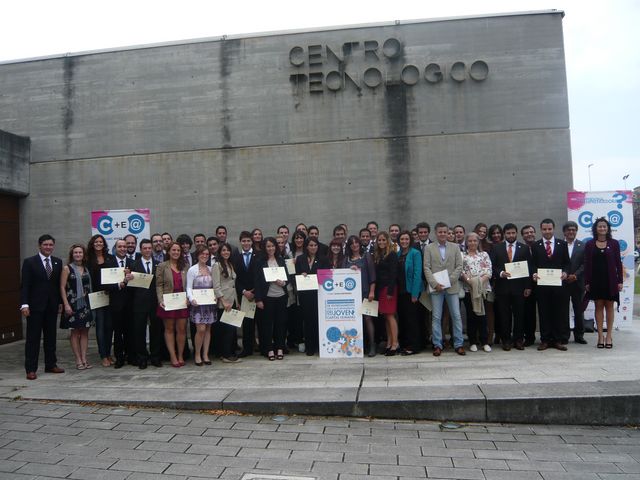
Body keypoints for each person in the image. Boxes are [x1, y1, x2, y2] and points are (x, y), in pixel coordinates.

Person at [20, 234, 65, 380]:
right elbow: (25, 285)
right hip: (35, 307)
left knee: (51, 337)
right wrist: (24, 304)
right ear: (39, 246)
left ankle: (51, 364)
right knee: (33, 338)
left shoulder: (57, 262)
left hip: (51, 307)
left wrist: (59, 302)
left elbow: (58, 286)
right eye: (45, 245)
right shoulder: (29, 262)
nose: (48, 247)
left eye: (51, 245)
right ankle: (31, 369)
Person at [424, 222, 465, 356]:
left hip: (451, 287)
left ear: (448, 233)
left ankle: (458, 344)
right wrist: (435, 284)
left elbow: (459, 266)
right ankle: (437, 344)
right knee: (436, 317)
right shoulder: (429, 248)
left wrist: (449, 281)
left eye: (445, 232)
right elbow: (426, 268)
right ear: (436, 233)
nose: (442, 234)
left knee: (456, 315)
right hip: (436, 288)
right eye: (440, 232)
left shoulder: (455, 247)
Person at [489, 224, 532, 351]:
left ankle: (518, 340)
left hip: (519, 288)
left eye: (513, 233)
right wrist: (501, 273)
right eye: (508, 233)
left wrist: (528, 286)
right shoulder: (497, 248)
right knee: (504, 315)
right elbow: (492, 266)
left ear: (516, 233)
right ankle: (506, 340)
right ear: (504, 234)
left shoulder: (523, 248)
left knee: (519, 315)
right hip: (502, 287)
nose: (511, 235)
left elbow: (529, 268)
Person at [584, 217, 623, 349]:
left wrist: (620, 281)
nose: (602, 228)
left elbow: (618, 263)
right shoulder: (589, 244)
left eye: (604, 226)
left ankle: (609, 336)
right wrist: (587, 282)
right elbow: (587, 264)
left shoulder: (614, 243)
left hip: (611, 280)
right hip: (595, 280)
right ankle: (600, 336)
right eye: (599, 226)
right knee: (598, 306)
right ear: (595, 228)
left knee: (610, 307)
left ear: (608, 229)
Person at [531, 218, 570, 351]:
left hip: (559, 285)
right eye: (544, 229)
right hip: (542, 286)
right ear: (541, 230)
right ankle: (545, 340)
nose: (547, 231)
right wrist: (534, 273)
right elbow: (533, 264)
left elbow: (567, 263)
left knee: (558, 313)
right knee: (544, 313)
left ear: (553, 229)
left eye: (549, 229)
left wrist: (565, 272)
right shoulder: (536, 246)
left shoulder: (562, 244)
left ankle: (557, 340)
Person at [129, 238, 162, 369]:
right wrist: (128, 279)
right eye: (145, 248)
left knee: (156, 331)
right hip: (139, 303)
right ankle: (142, 358)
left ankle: (155, 357)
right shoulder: (133, 265)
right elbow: (130, 288)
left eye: (149, 248)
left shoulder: (159, 264)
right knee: (139, 331)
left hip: (155, 303)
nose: (148, 250)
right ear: (141, 250)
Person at [59, 244, 93, 370]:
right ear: (72, 255)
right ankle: (78, 359)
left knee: (85, 331)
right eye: (75, 253)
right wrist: (66, 304)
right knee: (75, 332)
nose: (78, 254)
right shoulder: (67, 268)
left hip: (86, 304)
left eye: (80, 252)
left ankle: (84, 358)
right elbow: (62, 287)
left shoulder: (86, 268)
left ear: (84, 254)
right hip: (72, 304)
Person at [254, 237, 288, 361]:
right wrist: (258, 299)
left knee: (280, 324)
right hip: (267, 298)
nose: (271, 248)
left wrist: (283, 283)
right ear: (264, 248)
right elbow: (257, 282)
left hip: (281, 297)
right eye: (268, 246)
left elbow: (287, 278)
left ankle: (279, 348)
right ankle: (269, 349)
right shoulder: (260, 261)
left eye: (273, 246)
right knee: (267, 325)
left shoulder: (281, 260)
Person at [156, 242, 189, 367]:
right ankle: (173, 356)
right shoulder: (162, 266)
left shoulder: (185, 266)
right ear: (168, 252)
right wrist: (160, 300)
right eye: (173, 250)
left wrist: (188, 297)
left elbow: (189, 284)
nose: (176, 252)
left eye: (178, 250)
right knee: (169, 329)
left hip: (182, 301)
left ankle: (180, 355)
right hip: (168, 301)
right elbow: (159, 285)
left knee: (181, 330)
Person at [343, 235, 377, 356]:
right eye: (352, 244)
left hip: (366, 292)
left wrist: (372, 291)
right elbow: (342, 275)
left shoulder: (366, 256)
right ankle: (357, 346)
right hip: (351, 295)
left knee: (368, 319)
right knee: (354, 320)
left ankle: (372, 345)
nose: (354, 245)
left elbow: (372, 275)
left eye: (356, 243)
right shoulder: (346, 259)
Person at [296, 237, 330, 356]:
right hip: (305, 295)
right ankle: (310, 346)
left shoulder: (324, 259)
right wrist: (302, 274)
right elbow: (296, 275)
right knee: (307, 320)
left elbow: (327, 276)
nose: (313, 247)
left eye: (315, 245)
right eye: (311, 245)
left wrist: (313, 275)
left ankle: (319, 345)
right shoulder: (300, 259)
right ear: (306, 246)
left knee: (318, 319)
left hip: (319, 294)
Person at [105, 239, 134, 368]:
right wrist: (119, 285)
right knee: (118, 333)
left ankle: (130, 356)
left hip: (131, 303)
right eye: (120, 246)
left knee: (130, 332)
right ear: (115, 248)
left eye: (124, 246)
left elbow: (138, 284)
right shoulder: (108, 263)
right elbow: (105, 285)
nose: (123, 248)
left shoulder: (133, 263)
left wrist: (132, 278)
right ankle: (119, 358)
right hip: (116, 304)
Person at [87, 234, 114, 367]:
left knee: (109, 326)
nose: (98, 244)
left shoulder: (110, 258)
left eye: (101, 242)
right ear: (92, 244)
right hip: (96, 297)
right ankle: (103, 355)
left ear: (104, 244)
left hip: (109, 295)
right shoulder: (88, 259)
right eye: (96, 242)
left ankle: (109, 353)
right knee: (100, 327)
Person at [462, 233, 492, 352]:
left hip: (483, 289)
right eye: (470, 241)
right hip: (468, 289)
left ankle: (484, 341)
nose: (472, 243)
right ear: (466, 242)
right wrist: (471, 283)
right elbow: (461, 271)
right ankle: (472, 341)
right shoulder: (462, 256)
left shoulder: (484, 255)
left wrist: (479, 283)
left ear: (478, 242)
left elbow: (488, 271)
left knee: (482, 315)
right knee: (471, 315)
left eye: (475, 241)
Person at [186, 245, 216, 366]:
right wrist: (191, 298)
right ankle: (197, 354)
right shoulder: (192, 270)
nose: (204, 256)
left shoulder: (211, 268)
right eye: (202, 254)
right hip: (197, 304)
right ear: (197, 255)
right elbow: (188, 286)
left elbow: (215, 286)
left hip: (209, 304)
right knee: (201, 329)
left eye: (207, 254)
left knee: (208, 329)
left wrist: (215, 295)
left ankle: (205, 354)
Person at [212, 242, 241, 362]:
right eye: (223, 250)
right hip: (224, 302)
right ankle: (225, 355)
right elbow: (216, 286)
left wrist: (237, 302)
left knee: (232, 329)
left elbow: (233, 285)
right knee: (225, 329)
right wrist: (223, 301)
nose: (226, 252)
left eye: (227, 250)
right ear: (220, 252)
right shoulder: (217, 266)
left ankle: (229, 352)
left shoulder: (230, 264)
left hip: (232, 300)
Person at [396, 231, 423, 355]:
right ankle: (405, 344)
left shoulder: (415, 253)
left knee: (412, 319)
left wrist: (415, 294)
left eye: (406, 239)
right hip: (400, 292)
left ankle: (414, 346)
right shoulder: (397, 254)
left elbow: (418, 274)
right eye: (402, 239)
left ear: (410, 240)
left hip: (411, 291)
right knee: (403, 319)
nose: (404, 241)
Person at [233, 231, 260, 357]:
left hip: (257, 294)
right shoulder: (236, 258)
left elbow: (261, 276)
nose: (246, 243)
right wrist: (244, 292)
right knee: (247, 324)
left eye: (248, 241)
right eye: (244, 241)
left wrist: (254, 291)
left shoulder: (259, 256)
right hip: (244, 295)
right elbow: (235, 279)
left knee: (261, 323)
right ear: (240, 242)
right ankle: (247, 349)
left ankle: (263, 347)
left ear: (252, 242)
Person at [373, 231, 399, 356]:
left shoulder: (392, 254)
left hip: (389, 289)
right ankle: (389, 343)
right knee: (385, 316)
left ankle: (395, 344)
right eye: (379, 240)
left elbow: (394, 273)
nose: (381, 242)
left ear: (387, 241)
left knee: (390, 316)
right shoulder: (379, 255)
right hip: (380, 289)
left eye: (384, 240)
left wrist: (390, 290)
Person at [563, 221, 587, 344]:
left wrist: (575, 275)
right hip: (563, 283)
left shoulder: (582, 245)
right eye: (569, 230)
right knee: (563, 310)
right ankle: (565, 335)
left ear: (576, 231)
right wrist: (565, 274)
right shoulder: (560, 245)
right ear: (564, 232)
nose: (571, 232)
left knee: (579, 310)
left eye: (573, 230)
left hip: (578, 283)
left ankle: (579, 335)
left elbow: (585, 264)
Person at [520, 224, 538, 346]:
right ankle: (529, 337)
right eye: (526, 233)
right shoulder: (520, 248)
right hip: (527, 284)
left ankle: (548, 336)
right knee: (528, 312)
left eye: (531, 232)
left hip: (543, 283)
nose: (529, 234)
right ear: (522, 236)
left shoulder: (541, 246)